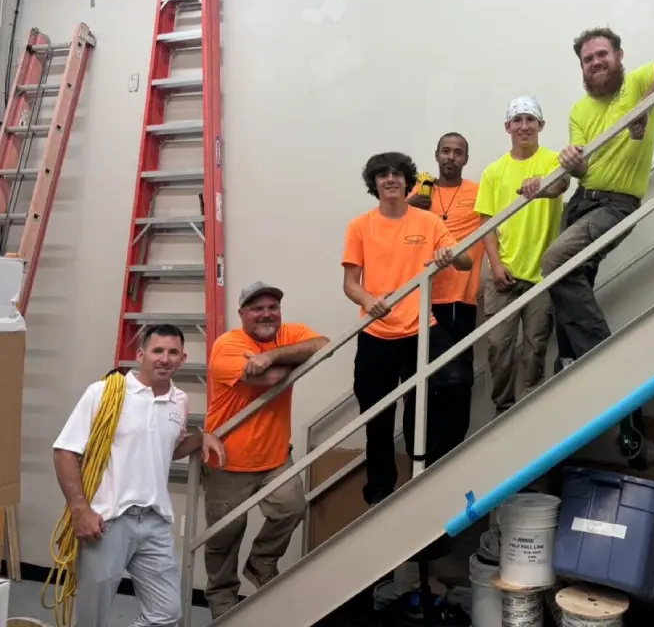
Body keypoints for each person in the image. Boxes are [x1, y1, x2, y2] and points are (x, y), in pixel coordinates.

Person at [543, 27, 654, 465]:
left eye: (601, 55)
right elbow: (581, 166)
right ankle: (586, 375)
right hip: (581, 202)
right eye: (588, 60)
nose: (595, 63)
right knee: (566, 289)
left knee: (554, 263)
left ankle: (605, 371)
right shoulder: (579, 108)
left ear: (619, 55)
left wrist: (647, 104)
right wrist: (572, 162)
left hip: (615, 205)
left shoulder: (636, 82)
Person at [52, 324, 226, 627]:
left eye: (173, 352)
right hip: (107, 521)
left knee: (167, 614)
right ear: (141, 354)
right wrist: (80, 510)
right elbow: (65, 451)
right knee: (92, 619)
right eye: (158, 351)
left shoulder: (179, 401)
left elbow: (163, 448)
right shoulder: (105, 393)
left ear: (183, 358)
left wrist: (202, 437)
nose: (165, 358)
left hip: (155, 521)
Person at [343, 151, 475, 506]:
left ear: (408, 181)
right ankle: (381, 492)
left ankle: (428, 474)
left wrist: (451, 255)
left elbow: (465, 262)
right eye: (382, 174)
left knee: (455, 383)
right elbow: (350, 284)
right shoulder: (360, 226)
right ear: (374, 183)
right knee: (377, 418)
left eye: (397, 174)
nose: (390, 179)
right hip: (377, 335)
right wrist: (369, 300)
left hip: (421, 328)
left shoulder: (427, 221)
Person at [202, 282, 329, 619]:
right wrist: (295, 360)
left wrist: (271, 354)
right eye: (257, 308)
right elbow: (269, 380)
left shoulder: (288, 333)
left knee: (292, 507)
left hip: (274, 459)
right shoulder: (228, 344)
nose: (267, 313)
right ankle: (222, 605)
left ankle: (261, 563)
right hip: (226, 462)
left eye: (273, 307)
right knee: (224, 540)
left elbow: (323, 344)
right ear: (242, 314)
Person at [476, 96, 568, 415]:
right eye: (518, 120)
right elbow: (486, 222)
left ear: (541, 125)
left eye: (531, 119)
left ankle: (529, 412)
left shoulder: (553, 160)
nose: (524, 126)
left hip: (542, 274)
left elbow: (562, 185)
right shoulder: (493, 172)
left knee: (536, 348)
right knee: (498, 348)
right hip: (504, 273)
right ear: (508, 127)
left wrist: (544, 185)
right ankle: (504, 409)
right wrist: (496, 265)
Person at [408, 132, 485, 378]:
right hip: (420, 298)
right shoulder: (419, 192)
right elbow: (391, 226)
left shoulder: (479, 192)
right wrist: (410, 207)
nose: (451, 157)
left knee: (458, 372)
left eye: (458, 152)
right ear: (437, 155)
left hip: (459, 297)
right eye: (445, 151)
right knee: (417, 375)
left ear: (466, 159)